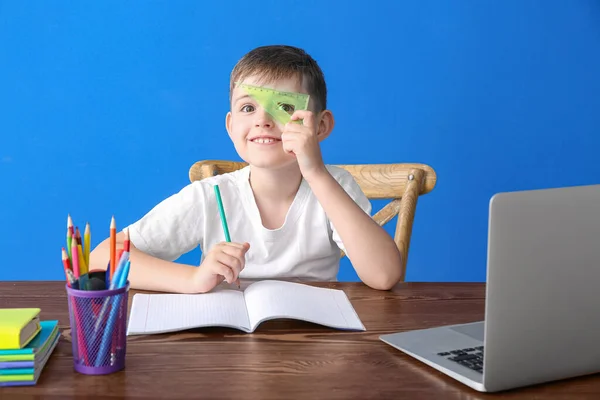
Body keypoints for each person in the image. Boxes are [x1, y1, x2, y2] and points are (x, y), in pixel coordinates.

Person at [89, 45, 402, 293]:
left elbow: (385, 275)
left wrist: (316, 172)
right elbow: (102, 258)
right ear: (230, 125)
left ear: (320, 126)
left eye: (285, 107)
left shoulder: (337, 186)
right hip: (226, 347)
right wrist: (193, 279)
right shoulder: (211, 196)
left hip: (312, 346)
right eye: (248, 108)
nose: (262, 120)